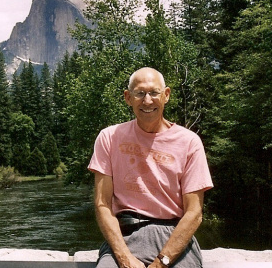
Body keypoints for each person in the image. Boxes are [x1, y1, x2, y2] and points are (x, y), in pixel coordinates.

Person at [88, 67, 213, 268]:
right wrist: (124, 257)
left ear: (166, 95)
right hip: (124, 237)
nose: (147, 101)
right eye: (139, 93)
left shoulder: (189, 142)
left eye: (154, 93)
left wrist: (161, 263)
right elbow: (102, 203)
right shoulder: (109, 138)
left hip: (174, 239)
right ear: (128, 97)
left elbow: (194, 213)